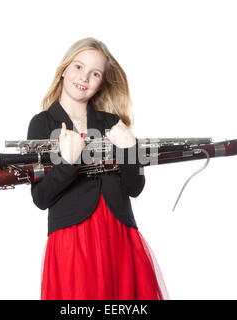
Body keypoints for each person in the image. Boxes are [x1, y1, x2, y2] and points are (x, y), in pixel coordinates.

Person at [27, 37, 169, 300]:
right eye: (79, 67)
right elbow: (41, 198)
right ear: (64, 69)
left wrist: (129, 151)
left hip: (119, 234)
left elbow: (135, 188)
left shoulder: (112, 123)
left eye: (95, 73)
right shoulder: (43, 123)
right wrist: (68, 164)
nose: (84, 78)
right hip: (72, 241)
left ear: (101, 82)